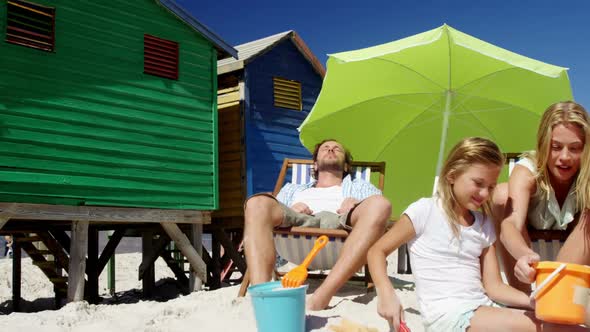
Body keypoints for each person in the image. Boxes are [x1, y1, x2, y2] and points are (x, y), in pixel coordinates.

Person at [368, 137, 584, 332]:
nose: (484, 194)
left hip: (482, 308)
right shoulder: (425, 211)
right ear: (452, 175)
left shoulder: (484, 225)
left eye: (491, 187)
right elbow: (377, 250)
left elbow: (494, 287)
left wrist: (532, 301)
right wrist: (386, 293)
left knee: (556, 322)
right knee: (552, 329)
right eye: (478, 183)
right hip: (449, 317)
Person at [243, 139, 391, 310]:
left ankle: (324, 294)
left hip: (341, 224)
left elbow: (379, 215)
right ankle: (262, 296)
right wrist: (291, 208)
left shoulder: (361, 187)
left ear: (345, 167)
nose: (330, 150)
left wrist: (357, 205)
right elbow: (267, 214)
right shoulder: (293, 189)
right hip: (299, 223)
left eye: (337, 149)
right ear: (315, 165)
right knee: (256, 202)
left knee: (381, 204)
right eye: (325, 148)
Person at [493, 101, 590, 290]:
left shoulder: (586, 172)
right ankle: (522, 295)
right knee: (502, 195)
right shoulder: (528, 170)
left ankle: (557, 290)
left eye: (575, 148)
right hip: (526, 244)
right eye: (556, 147)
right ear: (543, 144)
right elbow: (511, 223)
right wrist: (524, 254)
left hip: (574, 245)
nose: (565, 157)